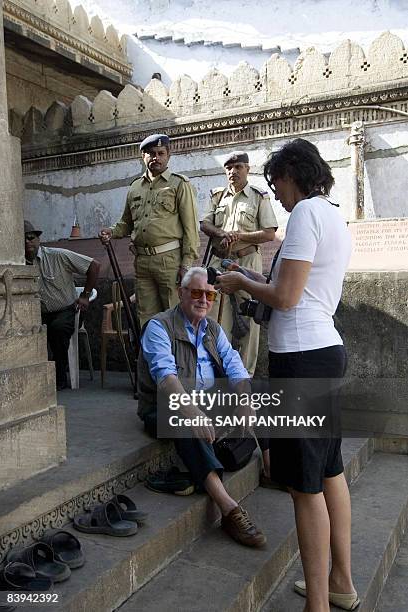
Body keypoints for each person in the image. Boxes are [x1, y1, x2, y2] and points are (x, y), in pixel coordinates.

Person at [215, 139, 359, 612]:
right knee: (330, 470)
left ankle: (317, 604)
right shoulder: (334, 214)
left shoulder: (304, 216)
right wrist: (256, 283)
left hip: (300, 359)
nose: (275, 193)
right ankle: (341, 581)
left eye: (277, 182)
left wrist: (239, 282)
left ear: (295, 174)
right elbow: (299, 290)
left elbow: (287, 297)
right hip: (324, 351)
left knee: (303, 486)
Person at [137, 266, 266, 548]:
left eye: (210, 295)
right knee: (183, 421)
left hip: (207, 402)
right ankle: (229, 508)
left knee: (262, 396)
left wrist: (244, 401)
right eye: (196, 292)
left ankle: (266, 469)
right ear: (181, 293)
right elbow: (166, 377)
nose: (204, 300)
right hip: (165, 406)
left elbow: (236, 368)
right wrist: (193, 412)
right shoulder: (159, 326)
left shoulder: (213, 329)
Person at [99, 133, 200, 327]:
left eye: (161, 153)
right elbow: (126, 223)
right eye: (151, 153)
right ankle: (152, 357)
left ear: (168, 155)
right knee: (146, 319)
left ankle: (175, 357)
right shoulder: (135, 187)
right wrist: (111, 232)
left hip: (169, 260)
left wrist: (186, 265)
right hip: (142, 262)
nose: (156, 158)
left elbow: (191, 228)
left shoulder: (179, 184)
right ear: (143, 156)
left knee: (174, 315)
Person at [200, 151, 277, 376]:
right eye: (229, 168)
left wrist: (240, 236)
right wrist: (222, 233)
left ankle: (245, 374)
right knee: (213, 315)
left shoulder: (258, 196)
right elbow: (205, 224)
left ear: (247, 169)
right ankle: (217, 370)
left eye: (238, 167)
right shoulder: (217, 196)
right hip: (218, 260)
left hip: (247, 260)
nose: (233, 172)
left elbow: (270, 233)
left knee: (250, 317)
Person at [24, 220, 100, 391]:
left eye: (31, 237)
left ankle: (60, 377)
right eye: (23, 239)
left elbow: (94, 265)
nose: (28, 242)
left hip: (66, 310)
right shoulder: (19, 264)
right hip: (37, 313)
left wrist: (85, 296)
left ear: (38, 239)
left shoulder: (57, 255)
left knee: (57, 329)